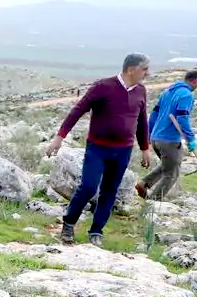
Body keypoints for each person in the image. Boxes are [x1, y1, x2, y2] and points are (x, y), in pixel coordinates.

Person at [46, 53, 153, 247]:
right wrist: (59, 138)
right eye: (144, 69)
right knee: (88, 187)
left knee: (110, 191)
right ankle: (69, 223)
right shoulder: (103, 86)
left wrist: (145, 148)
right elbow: (77, 110)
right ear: (131, 69)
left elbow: (141, 122)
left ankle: (96, 231)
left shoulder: (141, 91)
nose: (147, 73)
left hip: (123, 150)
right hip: (98, 148)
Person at [137, 70, 197, 200]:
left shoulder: (167, 93)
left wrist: (150, 134)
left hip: (156, 138)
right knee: (172, 173)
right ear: (195, 81)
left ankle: (143, 184)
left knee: (168, 165)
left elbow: (154, 114)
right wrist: (191, 139)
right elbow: (182, 118)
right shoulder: (187, 95)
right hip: (169, 140)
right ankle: (154, 202)